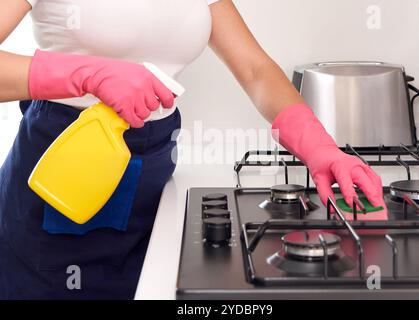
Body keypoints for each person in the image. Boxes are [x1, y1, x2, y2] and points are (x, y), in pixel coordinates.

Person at [0, 0, 385, 299]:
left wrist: (319, 146)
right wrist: (82, 75)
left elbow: (255, 69)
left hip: (149, 183)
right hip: (62, 177)